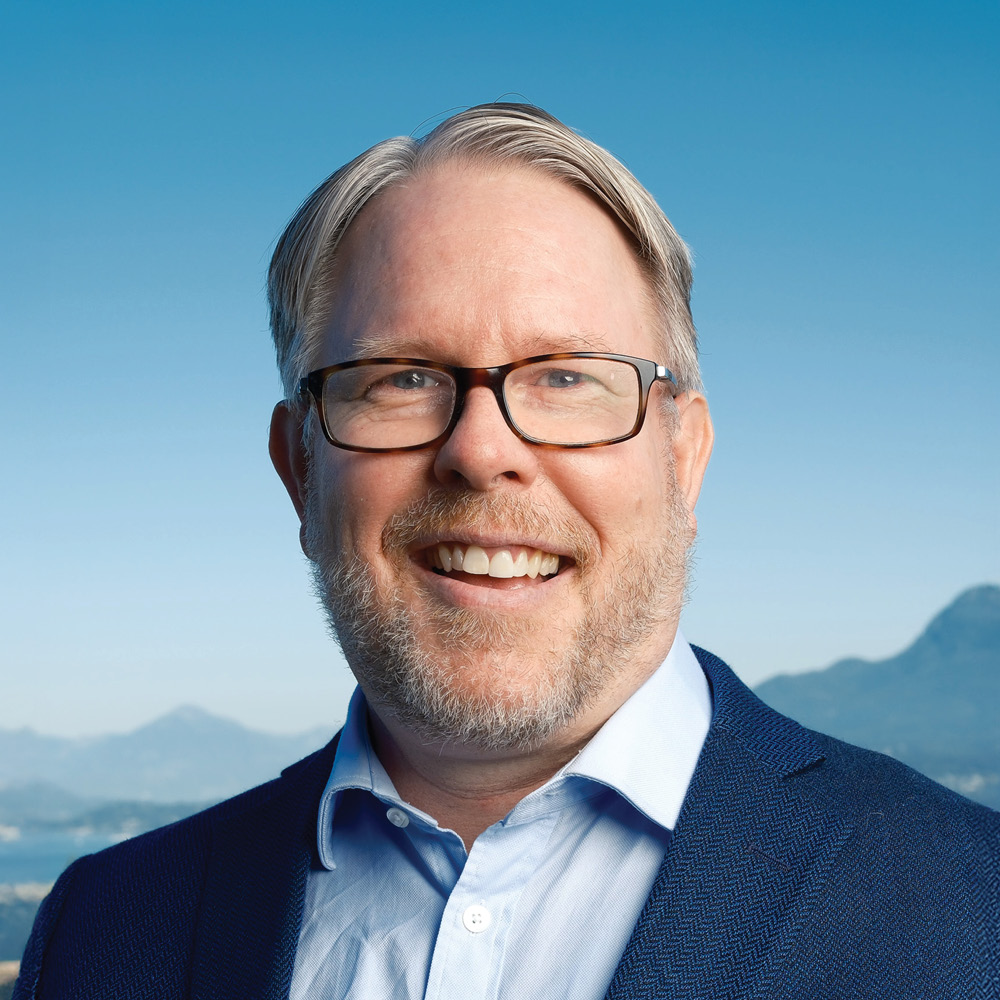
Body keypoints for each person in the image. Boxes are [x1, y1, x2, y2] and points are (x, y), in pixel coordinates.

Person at [15, 104, 998, 1000]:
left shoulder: (970, 910)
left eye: (567, 376)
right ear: (298, 471)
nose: (482, 450)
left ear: (684, 456)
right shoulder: (106, 929)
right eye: (399, 377)